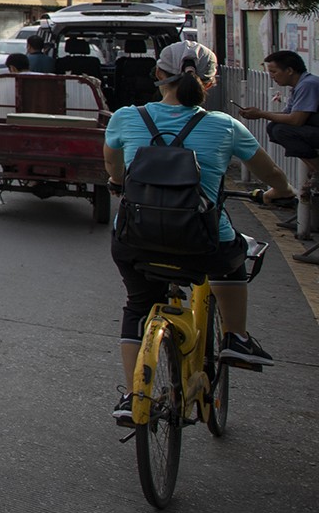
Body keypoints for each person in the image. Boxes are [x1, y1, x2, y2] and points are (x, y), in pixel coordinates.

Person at [103, 40, 295, 423]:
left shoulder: (126, 117)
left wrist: (118, 181)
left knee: (138, 307)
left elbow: (115, 169)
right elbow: (271, 174)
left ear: (159, 76)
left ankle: (132, 395)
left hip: (134, 239)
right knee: (236, 251)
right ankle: (236, 338)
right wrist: (281, 193)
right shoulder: (224, 125)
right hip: (202, 243)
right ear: (210, 82)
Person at [238, 50, 319, 253]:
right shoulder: (298, 86)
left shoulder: (308, 85)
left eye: (274, 71)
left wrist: (262, 114)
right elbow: (286, 115)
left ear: (289, 70)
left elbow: (296, 120)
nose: (272, 76)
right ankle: (315, 168)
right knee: (274, 128)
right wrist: (259, 114)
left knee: (281, 129)